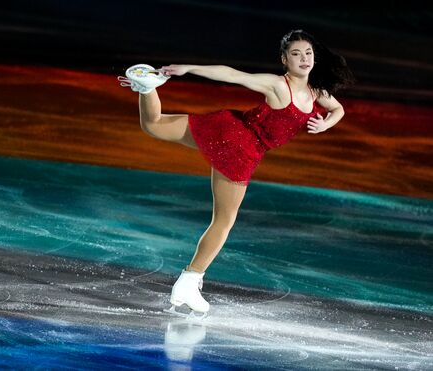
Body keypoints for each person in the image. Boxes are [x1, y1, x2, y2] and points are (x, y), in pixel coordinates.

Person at [117, 29, 354, 317]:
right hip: (240, 147)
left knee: (152, 124)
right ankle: (190, 280)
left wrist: (327, 123)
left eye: (308, 53)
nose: (304, 58)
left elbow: (338, 108)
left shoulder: (317, 91)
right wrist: (189, 68)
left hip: (227, 128)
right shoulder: (279, 86)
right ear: (284, 60)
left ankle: (146, 86)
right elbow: (233, 75)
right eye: (296, 54)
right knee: (224, 221)